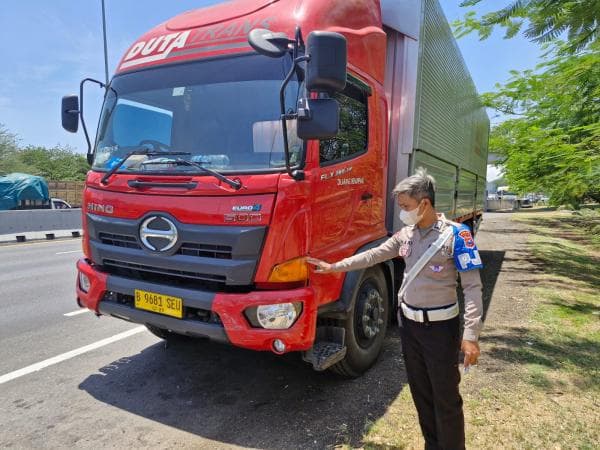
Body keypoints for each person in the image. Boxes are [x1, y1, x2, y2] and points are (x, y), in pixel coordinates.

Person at [307, 168, 483, 450]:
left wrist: (471, 334)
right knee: (421, 393)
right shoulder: (406, 235)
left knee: (445, 397)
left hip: (440, 329)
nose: (402, 211)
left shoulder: (457, 235)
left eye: (405, 206)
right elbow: (374, 254)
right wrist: (335, 267)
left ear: (424, 203)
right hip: (410, 326)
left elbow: (472, 287)